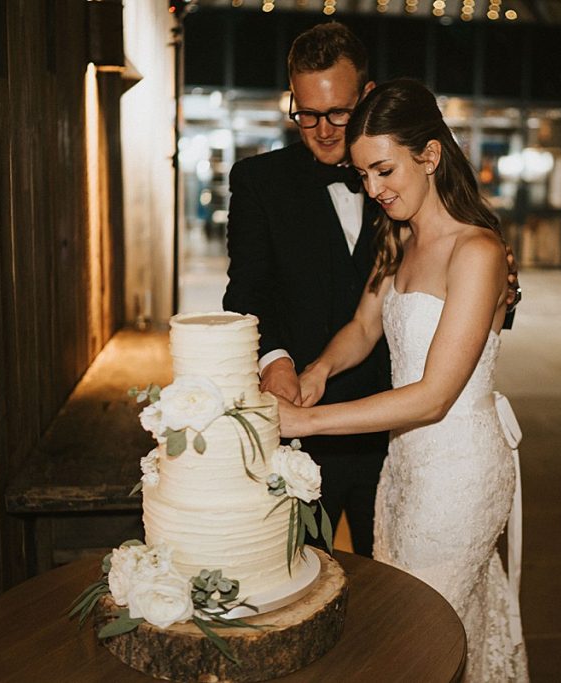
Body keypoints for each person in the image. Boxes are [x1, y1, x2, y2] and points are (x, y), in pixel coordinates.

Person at [278, 79, 529, 682]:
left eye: (384, 170)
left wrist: (307, 422)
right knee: (428, 624)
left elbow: (435, 395)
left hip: (460, 475)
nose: (374, 190)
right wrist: (316, 370)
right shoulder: (398, 236)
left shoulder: (478, 253)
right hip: (405, 466)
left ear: (430, 155)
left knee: (422, 637)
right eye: (363, 176)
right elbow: (364, 329)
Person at [222, 22, 388, 557]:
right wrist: (274, 359)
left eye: (338, 112)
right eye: (307, 113)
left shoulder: (405, 179)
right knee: (300, 579)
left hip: (400, 429)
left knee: (398, 597)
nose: (322, 129)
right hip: (301, 431)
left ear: (366, 96)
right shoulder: (257, 182)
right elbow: (245, 291)